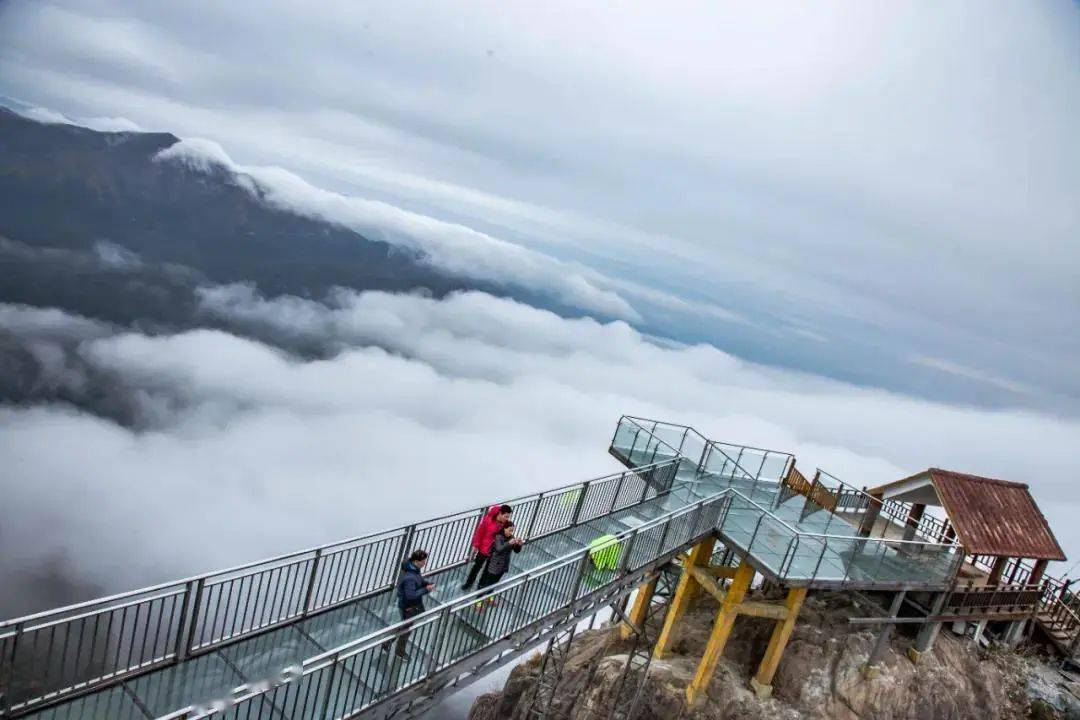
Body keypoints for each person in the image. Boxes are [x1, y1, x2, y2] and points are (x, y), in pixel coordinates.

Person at [461, 504, 513, 591]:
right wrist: (475, 546)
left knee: (487, 570)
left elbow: (507, 534)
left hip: (494, 551)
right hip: (484, 549)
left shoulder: (504, 524)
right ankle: (469, 583)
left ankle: (480, 587)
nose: (507, 519)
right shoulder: (488, 520)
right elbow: (479, 533)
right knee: (476, 567)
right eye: (506, 516)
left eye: (508, 517)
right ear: (500, 513)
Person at [394, 549, 434, 657]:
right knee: (406, 630)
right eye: (423, 561)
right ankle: (399, 651)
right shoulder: (409, 578)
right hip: (408, 607)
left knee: (405, 625)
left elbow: (419, 580)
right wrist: (426, 589)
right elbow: (411, 595)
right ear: (416, 561)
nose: (425, 563)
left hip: (411, 605)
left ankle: (387, 642)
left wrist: (426, 583)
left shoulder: (414, 569)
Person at [475, 522, 523, 608]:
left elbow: (516, 551)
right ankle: (478, 603)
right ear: (504, 528)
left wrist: (518, 545)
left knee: (494, 583)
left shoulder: (511, 537)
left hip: (503, 565)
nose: (511, 532)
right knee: (486, 584)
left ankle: (489, 598)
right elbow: (499, 549)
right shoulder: (498, 537)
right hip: (494, 565)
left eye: (512, 531)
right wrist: (509, 543)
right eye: (509, 530)